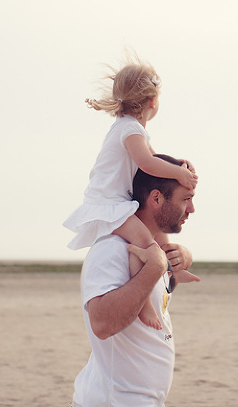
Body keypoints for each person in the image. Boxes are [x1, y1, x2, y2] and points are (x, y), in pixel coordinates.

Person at [63, 55, 199, 330]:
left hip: (116, 202)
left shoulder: (129, 129)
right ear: (152, 102)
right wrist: (179, 175)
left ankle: (171, 274)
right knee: (146, 246)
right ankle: (145, 303)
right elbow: (147, 163)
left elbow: (155, 162)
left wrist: (181, 166)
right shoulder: (130, 129)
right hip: (109, 204)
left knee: (159, 238)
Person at [71, 154, 197, 407]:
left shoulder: (150, 249)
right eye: (186, 199)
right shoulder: (113, 250)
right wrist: (155, 268)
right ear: (156, 199)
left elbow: (153, 293)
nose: (192, 209)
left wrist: (178, 260)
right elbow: (103, 323)